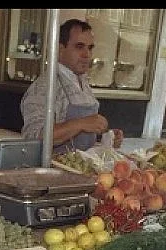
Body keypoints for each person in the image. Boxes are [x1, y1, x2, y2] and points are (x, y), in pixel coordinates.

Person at [20, 19, 123, 154]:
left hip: (83, 163)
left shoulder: (82, 82)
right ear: (60, 49)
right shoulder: (44, 87)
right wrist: (81, 124)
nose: (87, 55)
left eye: (90, 48)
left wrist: (106, 137)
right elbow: (33, 137)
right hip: (53, 165)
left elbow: (83, 137)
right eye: (79, 47)